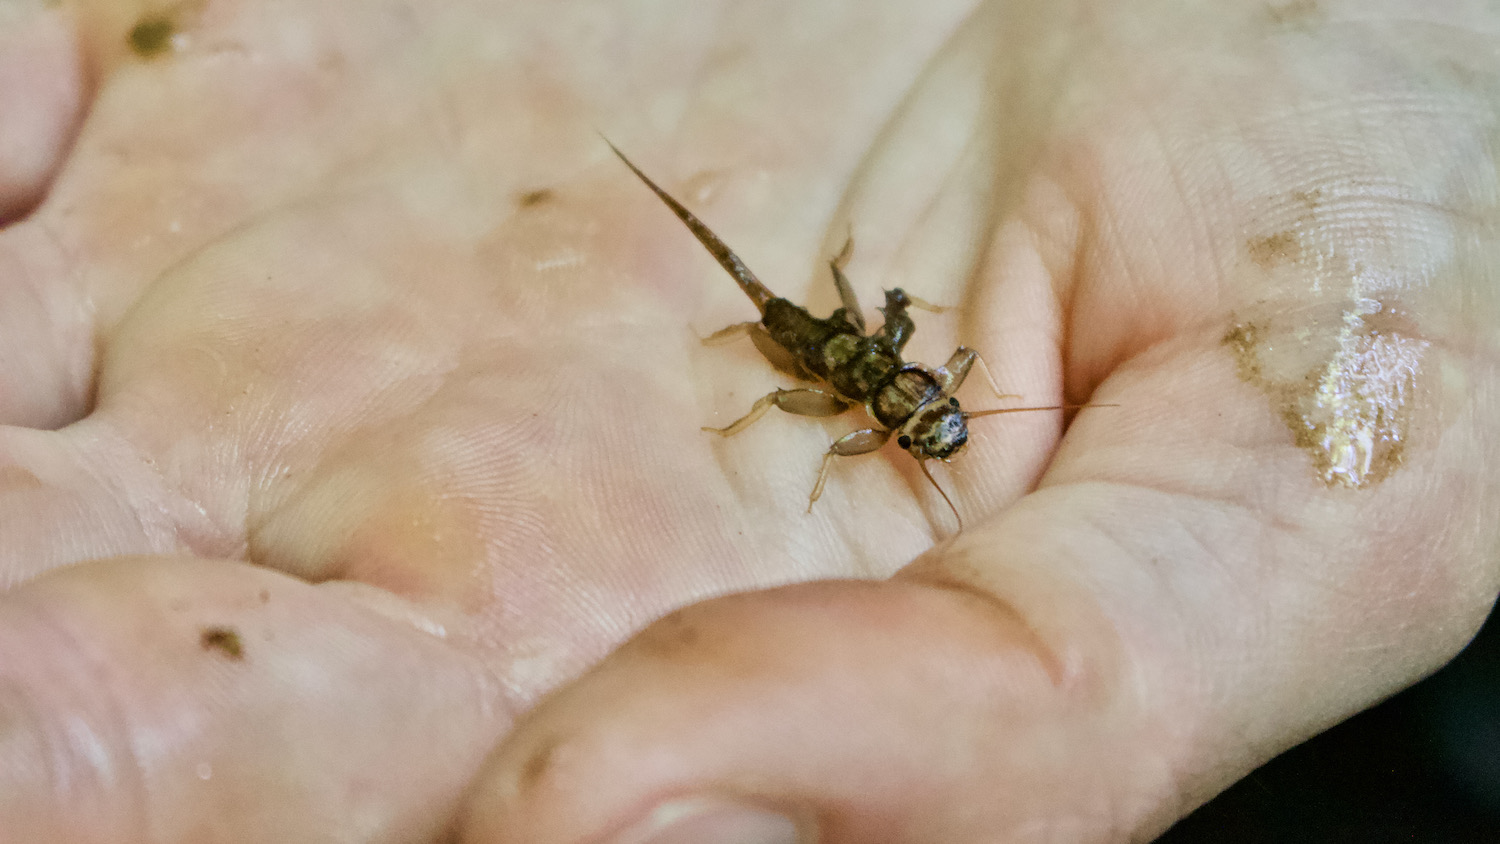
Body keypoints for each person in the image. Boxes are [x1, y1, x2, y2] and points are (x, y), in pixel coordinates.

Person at [1, 0, 1495, 841]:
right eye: (923, 420)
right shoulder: (856, 388)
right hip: (795, 317)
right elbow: (856, 364)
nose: (919, 423)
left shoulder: (897, 392)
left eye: (922, 425)